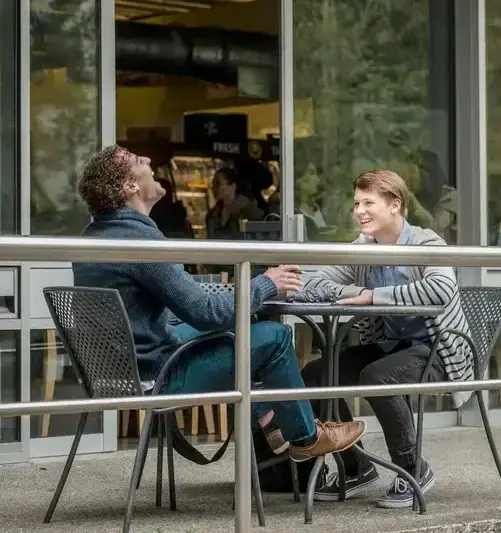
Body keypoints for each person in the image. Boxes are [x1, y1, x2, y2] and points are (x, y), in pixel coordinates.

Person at [72, 144, 365, 465]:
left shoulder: (97, 234)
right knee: (275, 338)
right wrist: (268, 283)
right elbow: (204, 313)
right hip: (155, 377)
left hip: (121, 369)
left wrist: (233, 296)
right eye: (137, 160)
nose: (148, 159)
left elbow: (172, 306)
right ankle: (307, 438)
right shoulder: (139, 241)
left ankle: (270, 422)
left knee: (240, 329)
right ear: (130, 186)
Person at [299, 169, 472, 508]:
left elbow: (440, 290)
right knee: (315, 375)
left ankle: (413, 470)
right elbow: (313, 283)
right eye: (356, 203)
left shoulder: (426, 243)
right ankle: (356, 466)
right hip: (390, 347)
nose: (359, 211)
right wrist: (359, 291)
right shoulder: (364, 249)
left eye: (368, 203)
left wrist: (373, 297)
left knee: (378, 377)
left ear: (395, 205)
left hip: (439, 349)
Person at [206, 167, 265, 240]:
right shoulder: (212, 215)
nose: (213, 188)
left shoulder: (250, 213)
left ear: (233, 186)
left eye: (217, 184)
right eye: (213, 184)